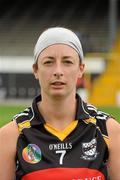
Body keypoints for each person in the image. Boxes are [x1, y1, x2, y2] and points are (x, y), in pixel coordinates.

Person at [0, 27, 120, 180]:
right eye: (49, 62)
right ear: (36, 70)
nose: (58, 71)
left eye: (67, 62)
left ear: (81, 69)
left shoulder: (110, 131)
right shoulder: (10, 136)